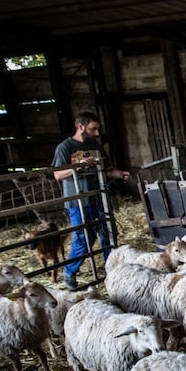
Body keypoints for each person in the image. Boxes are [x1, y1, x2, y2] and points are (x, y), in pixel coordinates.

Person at [53, 111, 130, 290]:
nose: (96, 133)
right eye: (93, 129)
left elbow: (108, 169)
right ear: (81, 127)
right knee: (84, 238)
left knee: (108, 234)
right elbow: (58, 174)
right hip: (78, 202)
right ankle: (69, 273)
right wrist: (79, 167)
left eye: (97, 129)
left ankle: (112, 271)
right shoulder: (65, 147)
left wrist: (120, 174)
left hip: (99, 198)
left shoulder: (97, 146)